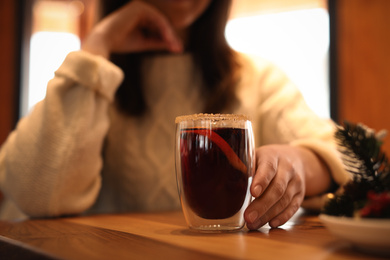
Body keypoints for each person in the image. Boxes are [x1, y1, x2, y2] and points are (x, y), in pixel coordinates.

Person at [0, 0, 349, 230]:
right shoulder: (91, 79)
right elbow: (33, 192)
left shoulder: (257, 77)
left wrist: (301, 162)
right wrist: (98, 43)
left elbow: (349, 157)